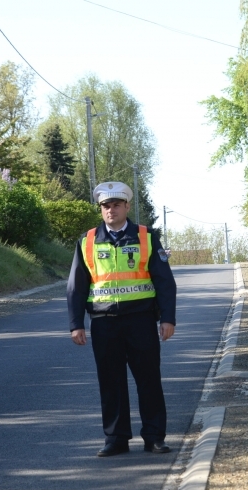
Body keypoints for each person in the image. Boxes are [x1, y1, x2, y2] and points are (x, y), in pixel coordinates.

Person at [67, 181, 177, 457]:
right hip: (104, 322)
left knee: (149, 380)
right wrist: (76, 323)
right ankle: (116, 438)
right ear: (100, 209)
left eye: (116, 204)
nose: (111, 210)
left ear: (127, 206)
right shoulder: (88, 240)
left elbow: (164, 282)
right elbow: (76, 286)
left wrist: (168, 318)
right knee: (110, 382)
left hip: (140, 320)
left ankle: (154, 437)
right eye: (106, 206)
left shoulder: (146, 236)